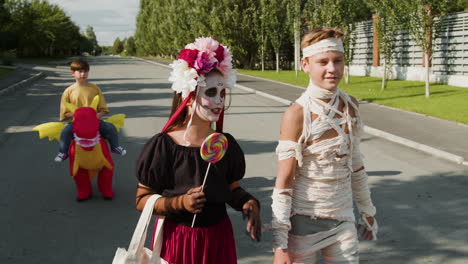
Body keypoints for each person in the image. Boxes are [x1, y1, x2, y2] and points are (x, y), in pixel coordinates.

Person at [135, 37, 261, 264]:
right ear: (189, 96)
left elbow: (231, 189)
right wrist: (178, 203)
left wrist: (248, 203)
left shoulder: (225, 145)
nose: (219, 101)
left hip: (218, 239)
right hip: (178, 240)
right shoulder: (165, 146)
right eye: (211, 92)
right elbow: (142, 199)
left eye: (223, 93)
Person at [271, 27, 378, 264]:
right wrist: (280, 242)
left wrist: (367, 209)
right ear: (305, 64)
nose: (332, 69)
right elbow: (284, 181)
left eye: (337, 61)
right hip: (303, 223)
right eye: (323, 62)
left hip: (343, 219)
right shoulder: (297, 114)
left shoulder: (350, 105)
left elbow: (356, 163)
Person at [55, 58, 126, 162]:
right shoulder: (68, 91)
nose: (83, 74)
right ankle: (63, 152)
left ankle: (115, 146)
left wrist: (96, 116)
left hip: (94, 121)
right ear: (73, 73)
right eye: (80, 71)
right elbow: (64, 113)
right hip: (76, 122)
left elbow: (103, 109)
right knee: (65, 132)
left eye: (85, 71)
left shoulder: (95, 88)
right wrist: (77, 115)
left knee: (110, 127)